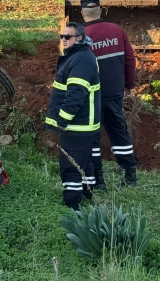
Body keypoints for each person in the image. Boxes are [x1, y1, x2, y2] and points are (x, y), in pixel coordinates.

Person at [80, 0, 137, 189]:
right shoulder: (116, 30)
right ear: (101, 10)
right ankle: (130, 176)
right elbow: (130, 60)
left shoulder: (81, 36)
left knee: (92, 136)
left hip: (91, 96)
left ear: (82, 13)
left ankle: (98, 181)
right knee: (119, 132)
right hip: (114, 92)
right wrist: (129, 85)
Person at [45, 22, 101, 210]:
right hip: (83, 124)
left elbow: (76, 93)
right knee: (84, 160)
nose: (63, 40)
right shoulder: (79, 57)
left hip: (77, 125)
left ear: (79, 39)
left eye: (68, 37)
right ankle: (88, 192)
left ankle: (72, 203)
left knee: (70, 163)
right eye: (62, 36)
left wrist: (63, 119)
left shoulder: (81, 60)